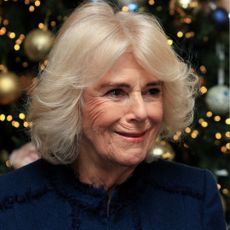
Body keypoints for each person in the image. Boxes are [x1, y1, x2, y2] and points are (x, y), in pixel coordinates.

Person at [0, 1, 226, 229]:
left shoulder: (194, 196)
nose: (140, 112)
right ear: (71, 101)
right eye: (116, 92)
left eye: (152, 91)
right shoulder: (11, 204)